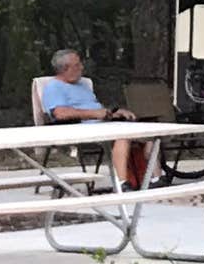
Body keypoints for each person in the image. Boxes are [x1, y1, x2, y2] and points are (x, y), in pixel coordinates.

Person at [42, 49, 141, 186]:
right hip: (80, 128)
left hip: (101, 124)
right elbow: (60, 113)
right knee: (122, 136)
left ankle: (154, 179)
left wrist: (115, 113)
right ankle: (122, 184)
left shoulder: (82, 84)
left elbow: (95, 108)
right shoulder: (54, 87)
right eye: (77, 65)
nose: (82, 67)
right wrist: (94, 114)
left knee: (146, 133)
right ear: (64, 69)